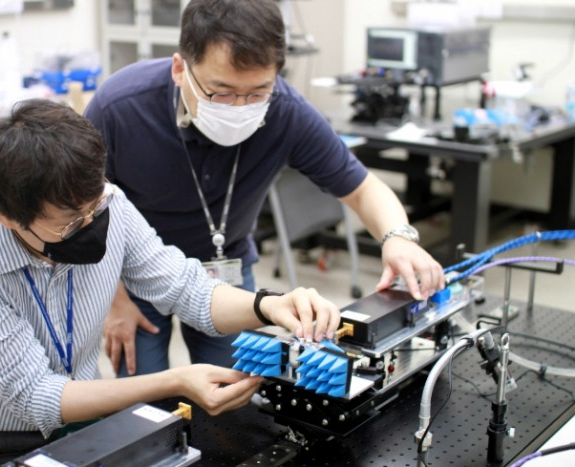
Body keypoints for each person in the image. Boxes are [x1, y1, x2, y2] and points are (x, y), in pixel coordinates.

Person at [0, 99, 340, 467]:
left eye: (95, 205)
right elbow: (36, 398)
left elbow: (185, 288)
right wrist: (176, 381)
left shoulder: (109, 202)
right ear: (7, 216)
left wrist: (267, 305)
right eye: (70, 223)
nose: (92, 223)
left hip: (84, 422)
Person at [84, 0, 445, 377]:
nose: (240, 106)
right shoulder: (119, 107)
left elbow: (362, 188)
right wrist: (114, 301)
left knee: (235, 397)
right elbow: (82, 211)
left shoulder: (287, 112)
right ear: (180, 69)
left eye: (257, 93)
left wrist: (398, 237)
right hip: (133, 281)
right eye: (221, 93)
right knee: (149, 405)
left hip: (227, 274)